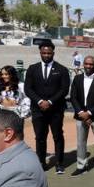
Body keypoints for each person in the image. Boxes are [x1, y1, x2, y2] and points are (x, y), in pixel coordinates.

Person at [23, 41, 70, 174]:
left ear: (53, 53)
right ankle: (41, 162)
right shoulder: (32, 69)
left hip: (55, 109)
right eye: (44, 53)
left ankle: (60, 163)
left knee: (58, 136)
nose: (46, 55)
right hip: (38, 110)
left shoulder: (62, 69)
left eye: (49, 53)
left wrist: (49, 101)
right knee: (40, 137)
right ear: (40, 53)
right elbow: (28, 88)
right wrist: (39, 101)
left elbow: (64, 89)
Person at [69, 55, 94, 177]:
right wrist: (81, 112)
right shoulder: (77, 78)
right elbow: (73, 97)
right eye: (86, 64)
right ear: (83, 65)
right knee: (81, 142)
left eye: (91, 64)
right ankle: (81, 166)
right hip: (80, 115)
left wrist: (90, 113)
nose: (88, 66)